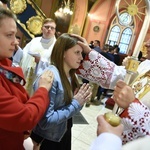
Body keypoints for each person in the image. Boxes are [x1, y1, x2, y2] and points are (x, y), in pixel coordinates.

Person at [0, 7, 54, 150]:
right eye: (9, 35)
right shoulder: (34, 41)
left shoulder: (4, 61)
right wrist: (42, 89)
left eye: (15, 35)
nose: (16, 42)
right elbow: (24, 117)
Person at [30, 33, 92, 150]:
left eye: (81, 53)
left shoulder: (71, 75)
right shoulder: (50, 77)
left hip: (64, 131)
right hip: (49, 138)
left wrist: (80, 101)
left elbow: (71, 107)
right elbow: (45, 121)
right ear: (63, 52)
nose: (81, 58)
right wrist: (76, 103)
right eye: (77, 52)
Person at [21, 18, 56, 95]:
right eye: (47, 27)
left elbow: (55, 65)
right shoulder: (34, 41)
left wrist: (41, 61)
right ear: (41, 29)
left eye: (52, 28)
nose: (49, 29)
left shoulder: (56, 46)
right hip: (28, 75)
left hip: (41, 80)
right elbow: (23, 54)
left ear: (55, 31)